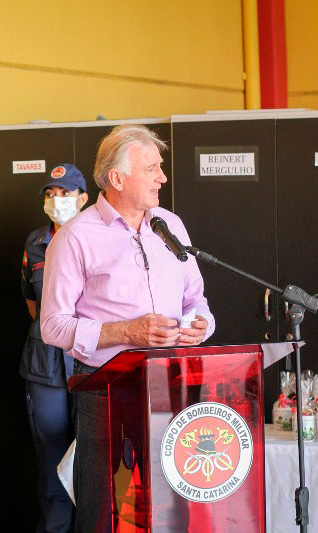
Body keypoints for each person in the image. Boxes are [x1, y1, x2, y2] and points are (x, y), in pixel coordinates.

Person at [40, 125, 215, 532]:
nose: (162, 177)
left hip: (171, 381)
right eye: (152, 168)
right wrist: (124, 332)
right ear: (117, 178)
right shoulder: (75, 237)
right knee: (103, 508)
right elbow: (52, 325)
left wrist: (199, 326)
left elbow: (197, 301)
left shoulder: (170, 225)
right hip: (106, 388)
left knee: (172, 502)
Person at [20, 164, 88, 533]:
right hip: (45, 364)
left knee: (93, 458)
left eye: (65, 193)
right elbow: (32, 303)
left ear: (83, 198)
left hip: (88, 360)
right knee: (51, 461)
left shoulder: (99, 236)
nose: (57, 200)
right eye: (50, 193)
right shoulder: (35, 243)